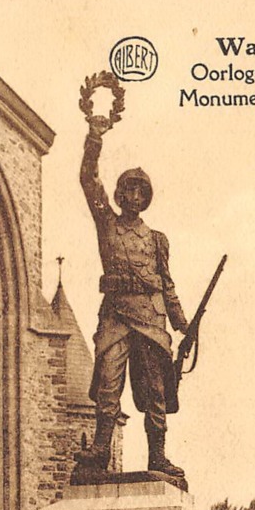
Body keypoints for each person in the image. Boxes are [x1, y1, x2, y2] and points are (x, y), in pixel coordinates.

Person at [75, 116, 189, 479]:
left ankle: (158, 457)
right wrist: (95, 137)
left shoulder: (157, 240)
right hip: (115, 318)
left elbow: (167, 286)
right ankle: (99, 453)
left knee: (156, 392)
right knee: (108, 386)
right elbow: (88, 180)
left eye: (141, 192)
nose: (134, 197)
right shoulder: (107, 223)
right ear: (120, 195)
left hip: (151, 321)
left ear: (147, 198)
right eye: (129, 191)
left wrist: (184, 324)